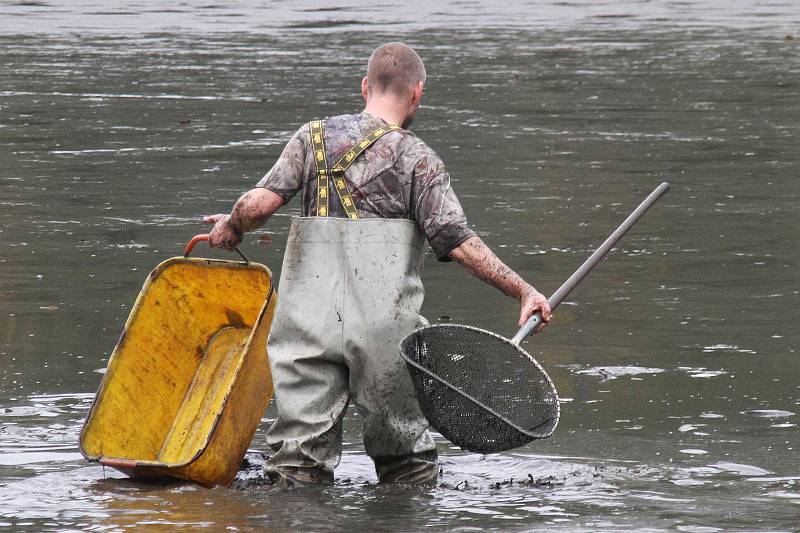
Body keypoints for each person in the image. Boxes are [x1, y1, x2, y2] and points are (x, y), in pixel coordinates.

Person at [203, 42, 552, 485]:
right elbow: (459, 242)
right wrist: (523, 290)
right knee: (406, 462)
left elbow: (257, 207)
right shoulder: (418, 159)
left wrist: (231, 225)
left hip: (306, 325)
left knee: (296, 462)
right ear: (417, 94)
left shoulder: (312, 138)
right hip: (384, 330)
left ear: (366, 86)